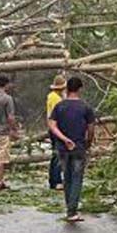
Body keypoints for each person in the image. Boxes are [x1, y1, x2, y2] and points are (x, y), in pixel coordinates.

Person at [48, 76, 96, 222]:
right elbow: (91, 128)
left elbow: (52, 125)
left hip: (62, 148)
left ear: (67, 89)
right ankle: (72, 210)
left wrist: (63, 139)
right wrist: (88, 143)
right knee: (76, 178)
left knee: (67, 177)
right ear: (80, 89)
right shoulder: (86, 107)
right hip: (79, 147)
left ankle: (70, 207)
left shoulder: (59, 106)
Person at [46, 75, 66, 190]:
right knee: (58, 155)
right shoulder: (56, 99)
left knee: (56, 154)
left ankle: (54, 179)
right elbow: (57, 115)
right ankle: (56, 180)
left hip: (53, 128)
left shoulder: (52, 96)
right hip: (56, 129)